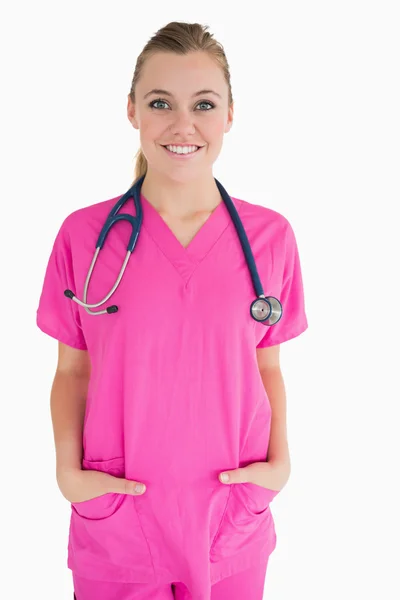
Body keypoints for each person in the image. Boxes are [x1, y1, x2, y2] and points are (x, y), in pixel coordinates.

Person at [36, 21, 308, 600]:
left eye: (203, 104)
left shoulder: (270, 238)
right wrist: (67, 474)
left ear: (230, 115)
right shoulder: (83, 237)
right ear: (131, 110)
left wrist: (280, 466)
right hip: (120, 516)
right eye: (160, 102)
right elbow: (71, 371)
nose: (183, 125)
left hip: (230, 513)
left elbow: (268, 367)